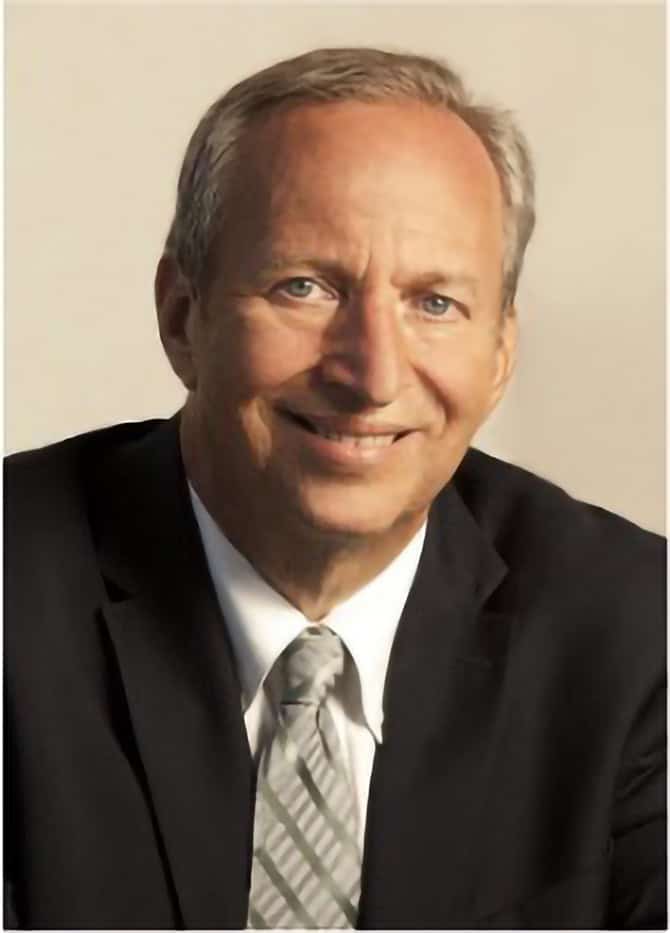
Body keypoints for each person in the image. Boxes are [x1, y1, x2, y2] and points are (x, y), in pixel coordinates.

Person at [5, 47, 665, 930]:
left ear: (501, 353)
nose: (372, 374)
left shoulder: (637, 635)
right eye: (305, 286)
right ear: (182, 317)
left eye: (435, 303)